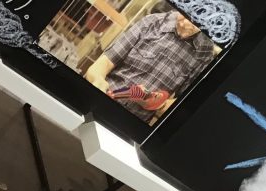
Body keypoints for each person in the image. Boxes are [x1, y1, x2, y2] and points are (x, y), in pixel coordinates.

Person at [85, 10, 215, 122]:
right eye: (185, 15)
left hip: (132, 122)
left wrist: (156, 103)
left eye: (196, 23)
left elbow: (181, 106)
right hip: (101, 99)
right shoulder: (152, 22)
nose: (186, 23)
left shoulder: (205, 53)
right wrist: (98, 80)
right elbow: (104, 63)